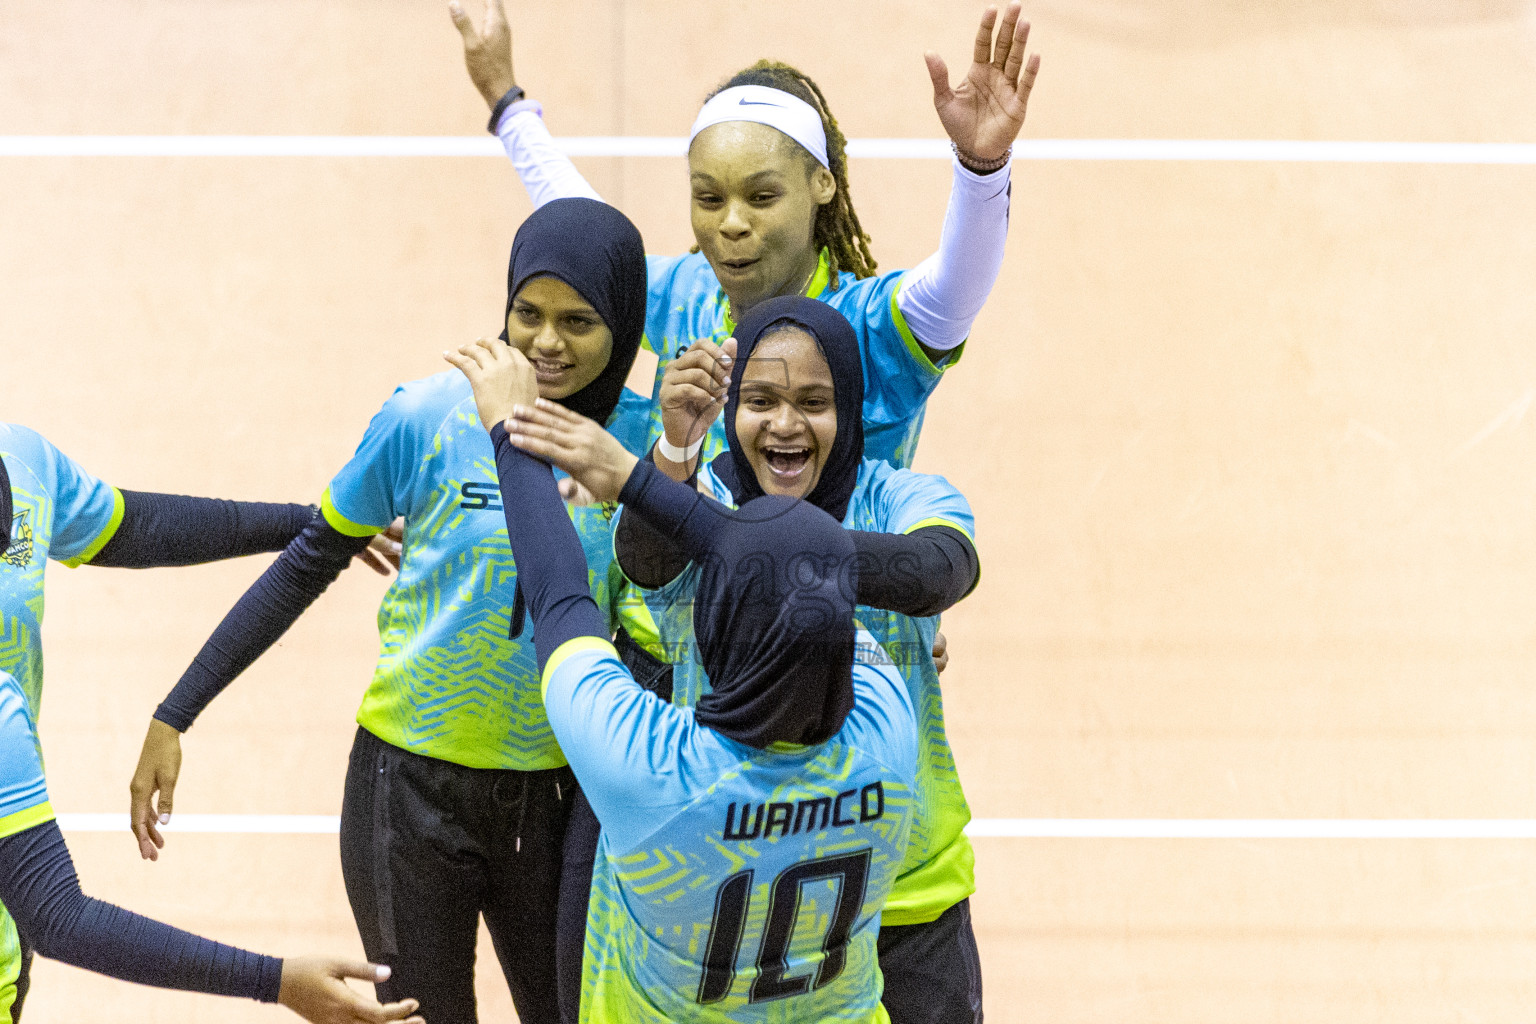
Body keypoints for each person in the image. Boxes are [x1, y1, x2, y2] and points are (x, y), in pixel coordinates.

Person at [128, 197, 650, 1024]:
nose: (547, 343)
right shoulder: (427, 417)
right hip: (406, 794)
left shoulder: (643, 447)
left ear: (624, 323)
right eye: (528, 314)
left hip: (559, 798)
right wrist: (176, 711)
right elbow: (307, 565)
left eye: (579, 321)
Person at [506, 296, 983, 1023]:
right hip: (782, 859)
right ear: (733, 410)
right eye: (759, 400)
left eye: (814, 402)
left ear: (850, 409)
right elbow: (642, 557)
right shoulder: (705, 495)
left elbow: (935, 568)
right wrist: (672, 456)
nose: (785, 424)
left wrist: (679, 505)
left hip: (909, 892)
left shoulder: (901, 494)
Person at [452, 0, 1037, 470]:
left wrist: (981, 168)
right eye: (709, 198)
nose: (731, 223)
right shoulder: (688, 291)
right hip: (696, 619)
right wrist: (508, 105)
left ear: (822, 184)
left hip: (837, 618)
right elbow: (587, 236)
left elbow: (956, 289)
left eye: (762, 197)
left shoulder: (868, 327)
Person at [0, 424, 422, 1024]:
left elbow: (129, 527)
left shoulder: (20, 462)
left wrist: (317, 525)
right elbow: (59, 916)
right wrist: (276, 982)